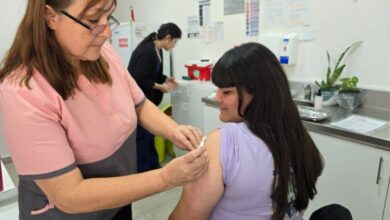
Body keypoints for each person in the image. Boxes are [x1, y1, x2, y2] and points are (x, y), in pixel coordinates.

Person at [0, 0, 208, 219]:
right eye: (92, 20)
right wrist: (166, 177)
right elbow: (70, 195)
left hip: (116, 203)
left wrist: (174, 131)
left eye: (108, 18)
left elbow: (140, 105)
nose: (107, 32)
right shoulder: (23, 90)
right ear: (50, 16)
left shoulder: (103, 54)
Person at [170, 43, 324, 220]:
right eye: (217, 89)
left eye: (226, 92)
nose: (217, 97)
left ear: (258, 93)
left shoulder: (224, 142)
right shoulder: (296, 135)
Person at [128, 22, 181, 173]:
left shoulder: (157, 50)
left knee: (150, 134)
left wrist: (166, 80)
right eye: (175, 42)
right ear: (168, 38)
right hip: (137, 101)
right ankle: (144, 171)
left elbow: (154, 74)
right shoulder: (147, 51)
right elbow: (139, 78)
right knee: (143, 137)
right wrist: (160, 87)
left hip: (147, 100)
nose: (174, 46)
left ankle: (153, 166)